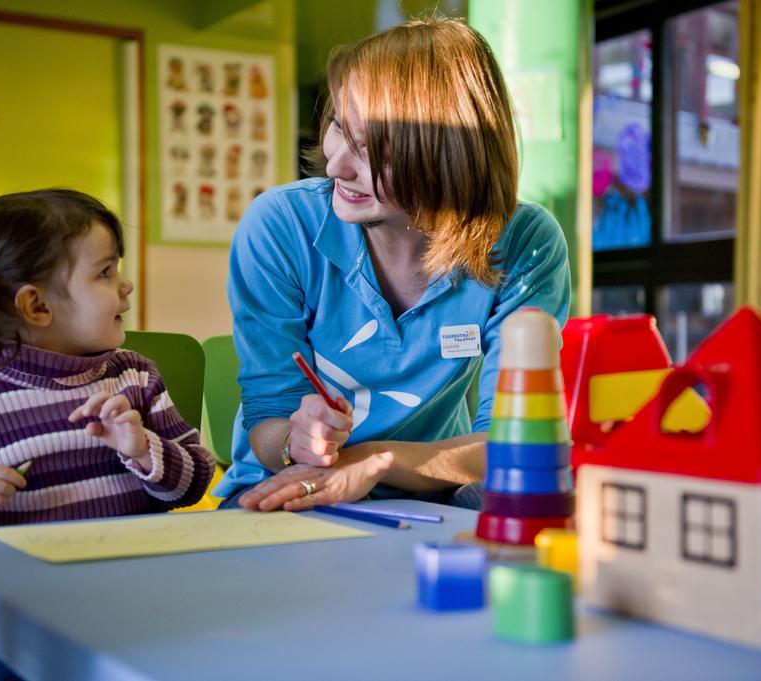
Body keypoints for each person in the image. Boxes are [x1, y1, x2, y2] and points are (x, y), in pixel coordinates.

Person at [215, 18, 571, 512]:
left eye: (372, 148)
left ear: (452, 156)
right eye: (339, 126)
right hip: (290, 493)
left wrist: (372, 460)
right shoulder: (281, 224)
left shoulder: (526, 242)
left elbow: (514, 442)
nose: (336, 162)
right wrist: (295, 444)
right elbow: (268, 414)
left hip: (430, 500)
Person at [0, 189, 215, 546]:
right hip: (23, 589)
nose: (126, 284)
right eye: (105, 272)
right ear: (37, 305)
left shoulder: (135, 377)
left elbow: (195, 484)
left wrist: (144, 450)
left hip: (129, 578)